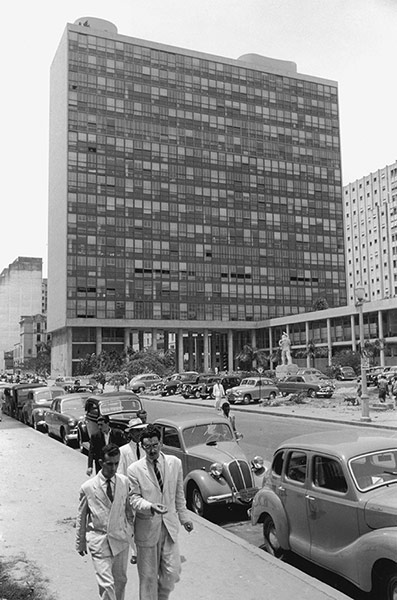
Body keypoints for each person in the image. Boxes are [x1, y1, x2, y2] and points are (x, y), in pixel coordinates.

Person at [127, 423, 193, 600]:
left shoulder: (175, 463)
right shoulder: (134, 470)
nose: (152, 450)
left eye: (155, 445)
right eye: (147, 447)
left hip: (169, 527)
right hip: (147, 528)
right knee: (148, 578)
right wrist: (150, 506)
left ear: (161, 443)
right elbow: (133, 499)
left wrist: (184, 517)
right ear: (142, 446)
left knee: (172, 572)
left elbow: (179, 494)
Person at [76, 443, 135, 600]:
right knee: (107, 585)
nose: (114, 468)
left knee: (120, 581)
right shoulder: (88, 487)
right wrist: (80, 542)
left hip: (120, 540)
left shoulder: (124, 482)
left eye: (117, 463)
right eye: (110, 464)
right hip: (99, 540)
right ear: (101, 462)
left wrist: (134, 546)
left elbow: (129, 515)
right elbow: (81, 516)